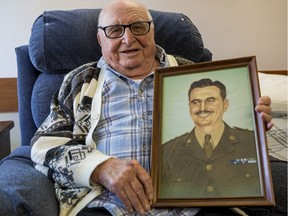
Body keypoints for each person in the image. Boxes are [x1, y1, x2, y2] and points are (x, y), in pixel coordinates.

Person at [4, 0, 278, 216]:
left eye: (138, 26)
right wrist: (99, 167)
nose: (128, 39)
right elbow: (44, 146)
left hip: (197, 203)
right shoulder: (81, 81)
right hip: (103, 205)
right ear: (101, 40)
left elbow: (231, 139)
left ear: (152, 30)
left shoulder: (192, 73)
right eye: (114, 30)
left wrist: (251, 120)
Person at [160, 78, 261, 198]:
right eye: (195, 102)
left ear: (225, 105)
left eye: (210, 100)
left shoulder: (252, 141)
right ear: (189, 107)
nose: (202, 108)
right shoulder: (168, 150)